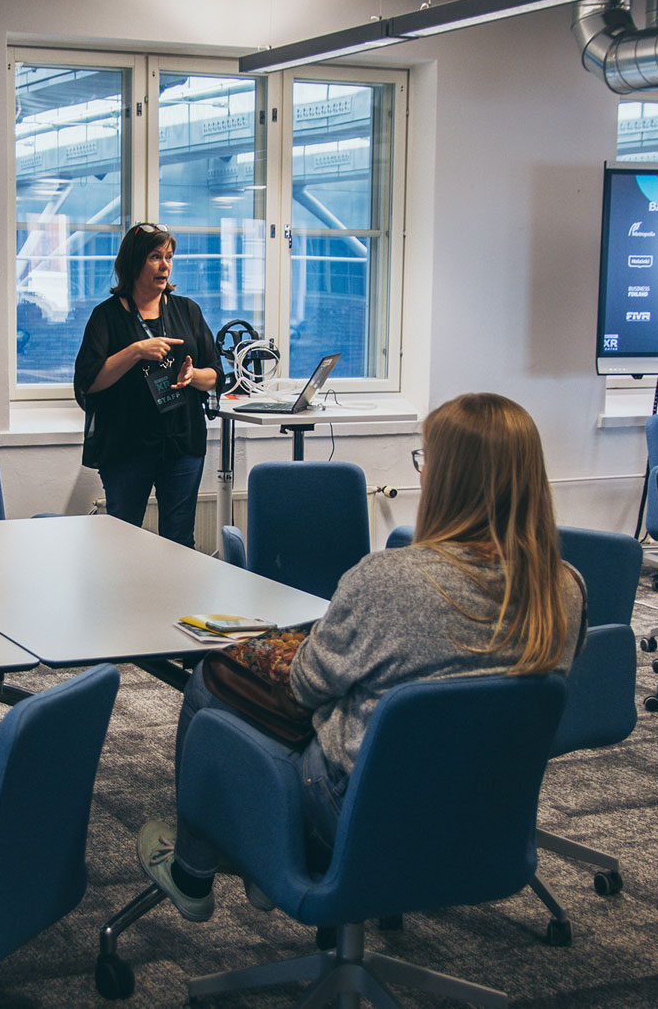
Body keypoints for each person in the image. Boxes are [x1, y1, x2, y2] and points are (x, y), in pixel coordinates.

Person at [137, 392, 584, 920]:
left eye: (427, 459)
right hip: (488, 813)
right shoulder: (563, 588)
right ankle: (258, 864)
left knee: (210, 683)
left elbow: (304, 687)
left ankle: (195, 872)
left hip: (354, 812)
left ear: (449, 478)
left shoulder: (387, 578)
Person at [74, 222, 223, 547]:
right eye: (155, 257)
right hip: (127, 446)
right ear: (134, 262)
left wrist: (192, 377)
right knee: (122, 540)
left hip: (182, 443)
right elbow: (88, 383)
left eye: (169, 257)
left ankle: (176, 600)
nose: (165, 265)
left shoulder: (187, 310)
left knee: (180, 539)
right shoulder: (107, 316)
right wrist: (135, 351)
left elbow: (216, 374)